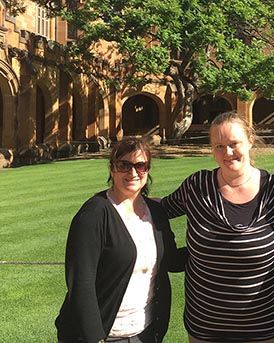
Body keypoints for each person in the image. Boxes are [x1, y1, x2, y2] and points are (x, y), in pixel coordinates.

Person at [160, 111, 274, 343]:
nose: (227, 153)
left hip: (262, 321)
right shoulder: (197, 186)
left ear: (249, 140)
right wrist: (116, 201)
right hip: (205, 321)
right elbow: (159, 211)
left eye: (233, 143)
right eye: (218, 146)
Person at [55, 137, 187, 343]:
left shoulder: (156, 212)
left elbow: (171, 261)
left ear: (148, 170)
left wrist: (209, 247)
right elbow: (81, 284)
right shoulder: (94, 214)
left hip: (146, 332)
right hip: (105, 334)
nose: (132, 173)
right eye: (124, 165)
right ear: (112, 169)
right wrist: (95, 338)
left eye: (140, 166)